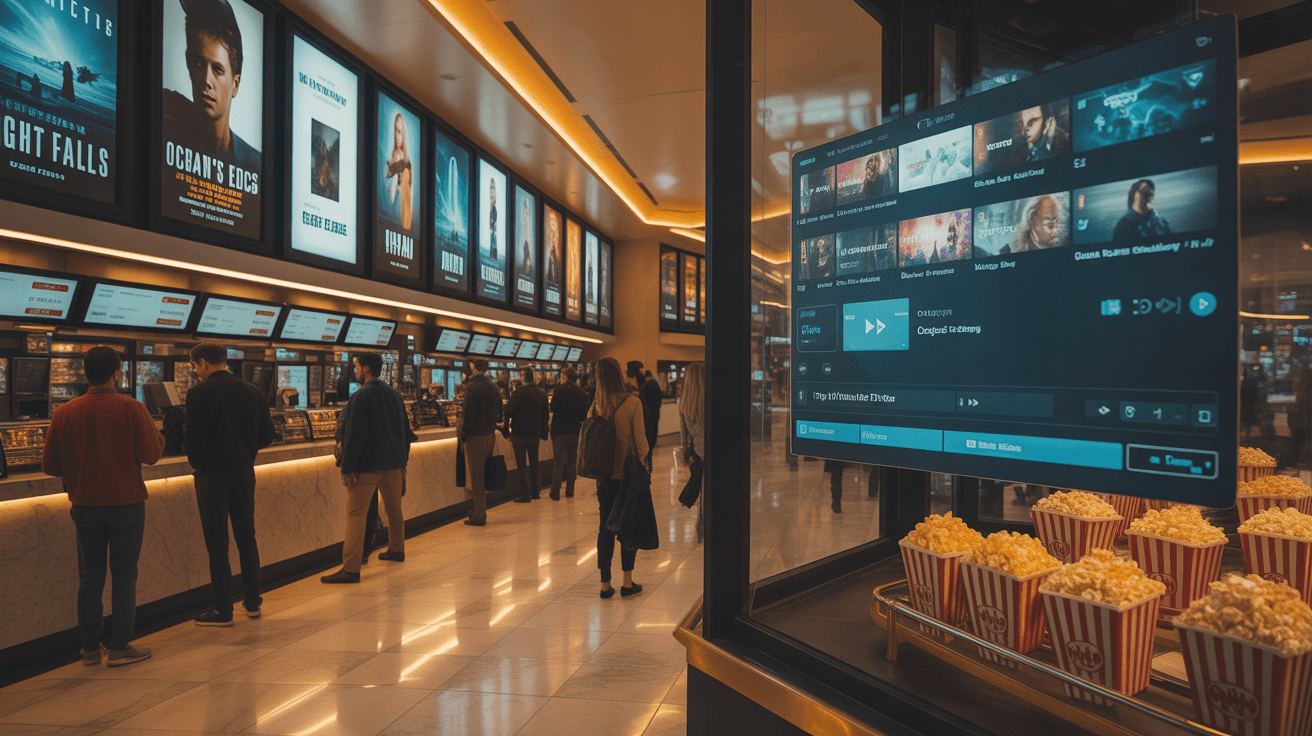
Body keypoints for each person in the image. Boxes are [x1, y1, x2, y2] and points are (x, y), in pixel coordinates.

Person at [42, 347, 162, 666]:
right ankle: (120, 647)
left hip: (84, 504)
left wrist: (78, 470)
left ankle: (91, 649)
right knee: (124, 576)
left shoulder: (65, 412)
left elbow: (49, 464)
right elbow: (151, 454)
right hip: (127, 504)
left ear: (86, 374)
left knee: (90, 577)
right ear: (116, 373)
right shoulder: (132, 408)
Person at [185, 342, 274, 625]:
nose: (196, 372)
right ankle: (252, 603)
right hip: (244, 473)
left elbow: (193, 443)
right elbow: (268, 435)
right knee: (247, 538)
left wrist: (200, 462)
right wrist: (247, 452)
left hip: (212, 475)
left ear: (203, 363)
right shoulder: (253, 391)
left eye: (195, 366)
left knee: (218, 543)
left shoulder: (198, 393)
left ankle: (223, 609)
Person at [321, 352, 416, 583]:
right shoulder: (395, 395)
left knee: (356, 514)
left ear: (364, 368)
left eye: (356, 366)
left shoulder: (360, 397)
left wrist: (346, 467)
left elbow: (354, 436)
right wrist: (403, 462)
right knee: (394, 509)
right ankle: (396, 548)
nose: (354, 370)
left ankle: (351, 568)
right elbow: (406, 432)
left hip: (367, 466)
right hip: (393, 464)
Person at [162, 0, 258, 178]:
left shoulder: (255, 166)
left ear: (235, 85)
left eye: (218, 69)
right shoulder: (164, 122)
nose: (206, 80)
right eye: (198, 64)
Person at [592, 357, 649, 598]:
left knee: (605, 527)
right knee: (628, 528)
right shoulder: (633, 402)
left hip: (604, 477)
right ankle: (627, 582)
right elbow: (642, 444)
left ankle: (605, 584)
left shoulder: (596, 405)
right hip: (627, 477)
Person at [460, 358, 503, 526]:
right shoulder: (493, 386)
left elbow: (469, 415)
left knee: (477, 478)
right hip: (490, 435)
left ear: (473, 367)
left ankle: (480, 515)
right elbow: (501, 413)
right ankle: (479, 510)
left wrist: (464, 433)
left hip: (476, 437)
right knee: (482, 476)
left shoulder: (472, 387)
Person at [502, 368, 549, 503]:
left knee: (522, 466)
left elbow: (508, 410)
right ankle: (536, 493)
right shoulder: (542, 394)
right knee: (535, 464)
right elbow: (545, 415)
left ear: (523, 377)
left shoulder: (520, 393)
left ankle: (525, 494)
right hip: (535, 434)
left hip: (520, 434)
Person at [549, 366, 590, 500]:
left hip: (559, 430)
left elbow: (552, 409)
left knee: (559, 463)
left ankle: (555, 492)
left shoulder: (559, 390)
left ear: (565, 376)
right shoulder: (581, 392)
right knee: (572, 462)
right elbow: (584, 415)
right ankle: (570, 490)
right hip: (574, 430)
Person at [678, 362, 705, 542]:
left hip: (697, 451)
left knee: (702, 489)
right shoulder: (709, 398)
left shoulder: (685, 402)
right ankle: (705, 525)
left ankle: (701, 526)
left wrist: (687, 450)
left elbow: (684, 433)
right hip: (712, 449)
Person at [629, 361, 661, 470]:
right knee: (649, 442)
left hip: (647, 422)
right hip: (653, 418)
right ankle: (648, 466)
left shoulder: (643, 392)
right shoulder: (652, 385)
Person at [384, 112, 413, 230]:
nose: (397, 136)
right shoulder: (389, 161)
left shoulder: (407, 165)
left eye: (400, 132)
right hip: (390, 220)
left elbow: (409, 200)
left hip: (403, 223)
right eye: (395, 130)